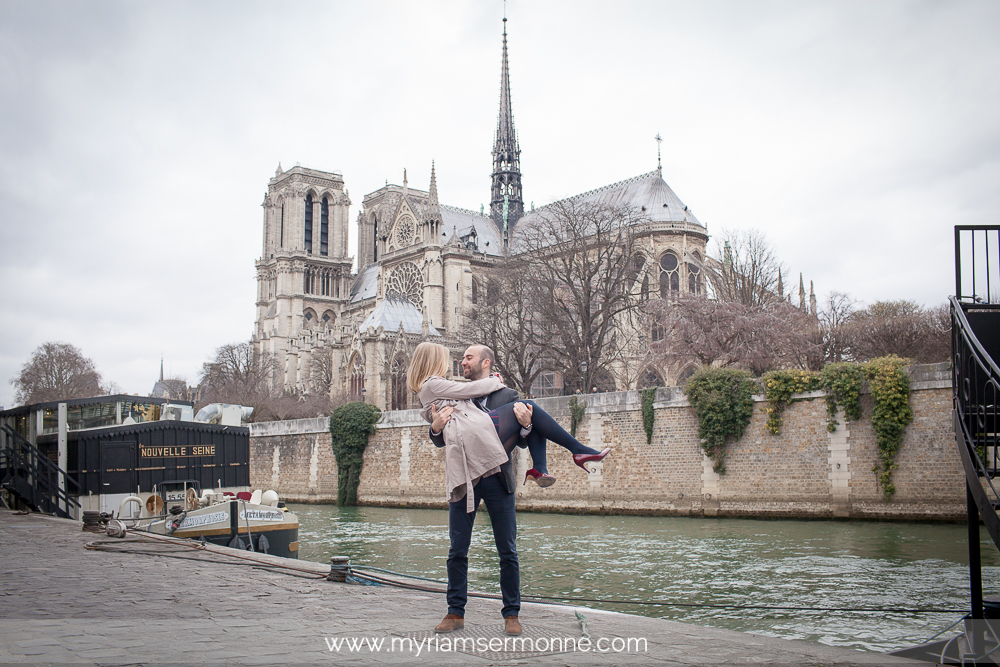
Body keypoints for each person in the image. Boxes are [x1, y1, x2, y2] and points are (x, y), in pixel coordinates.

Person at [408, 343, 609, 637]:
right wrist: (436, 427)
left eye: (468, 358)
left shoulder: (506, 396)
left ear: (485, 362)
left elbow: (524, 438)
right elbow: (441, 436)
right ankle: (455, 612)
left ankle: (511, 614)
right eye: (461, 358)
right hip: (466, 475)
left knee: (508, 550)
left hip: (498, 477)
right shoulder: (451, 388)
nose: (462, 362)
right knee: (457, 549)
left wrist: (526, 426)